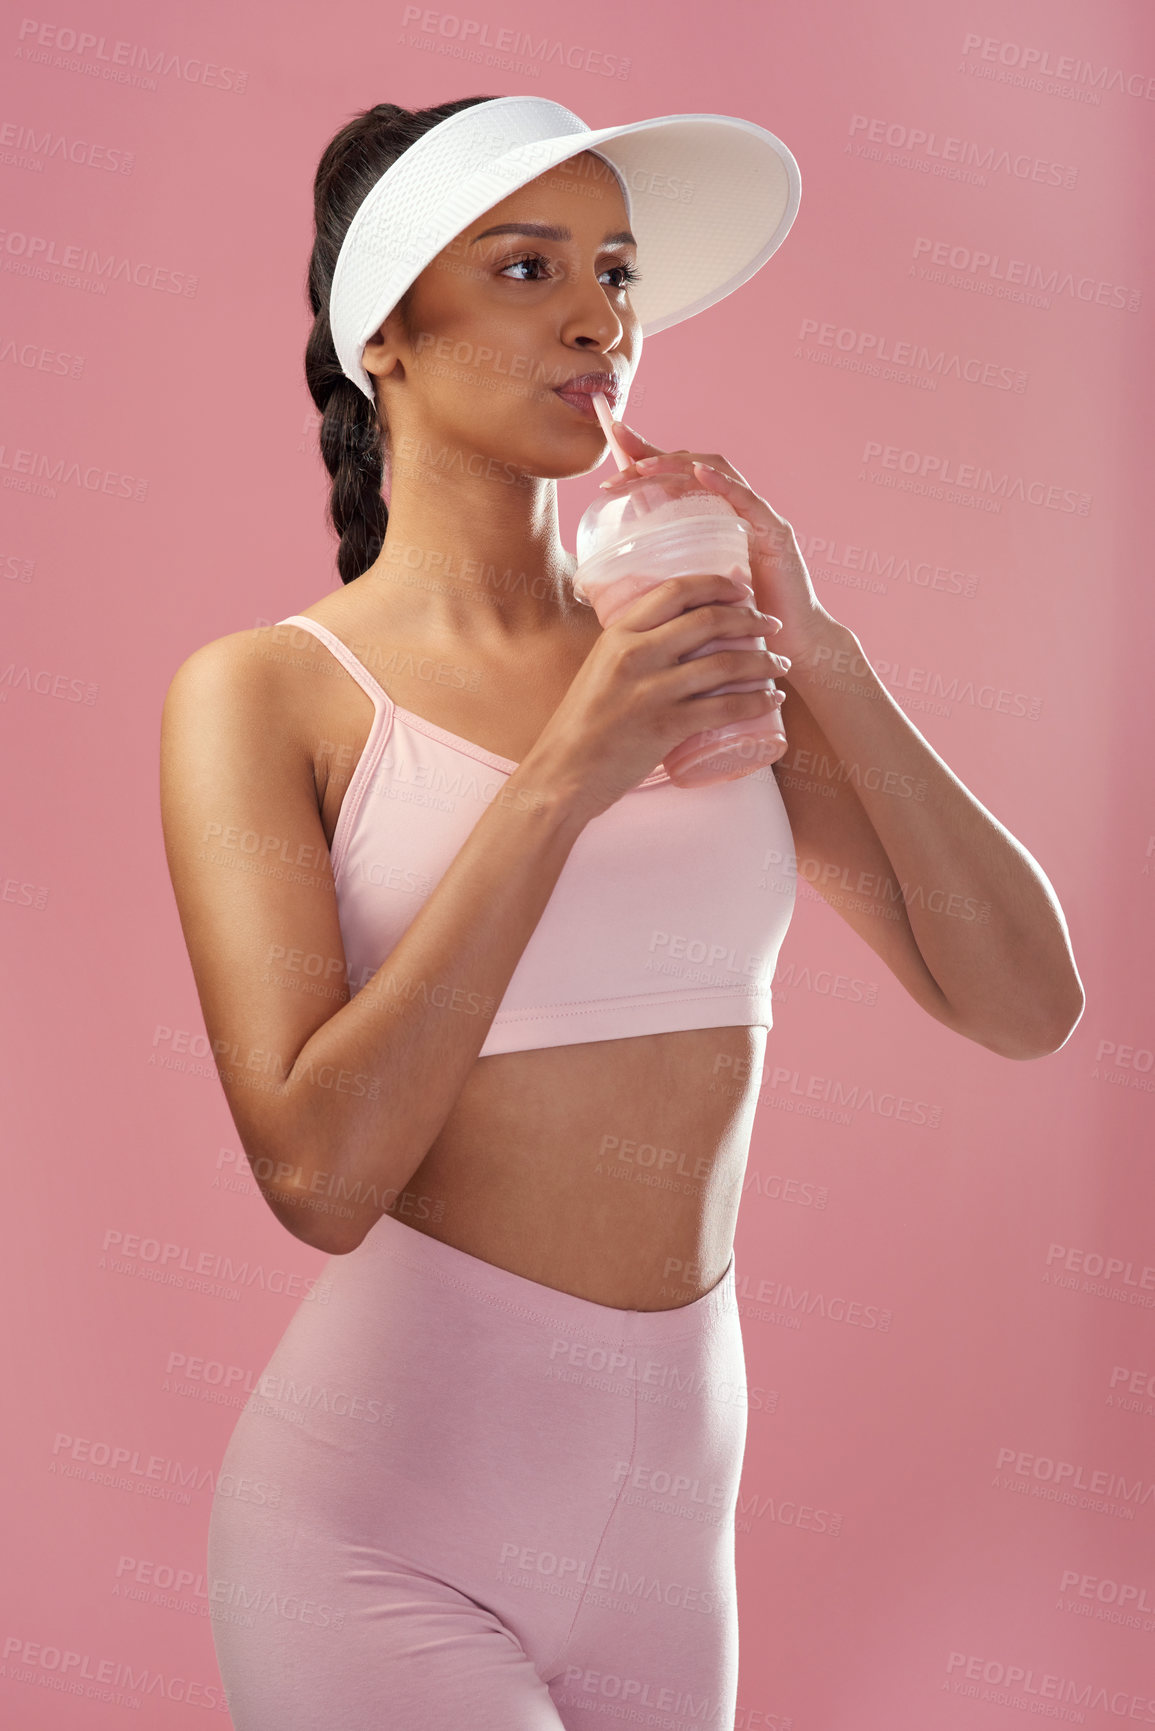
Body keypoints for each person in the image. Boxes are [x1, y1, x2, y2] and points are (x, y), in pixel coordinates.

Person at [159, 94, 1084, 1731]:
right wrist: (562, 780)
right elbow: (314, 1171)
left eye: (615, 270)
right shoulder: (268, 695)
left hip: (672, 1546)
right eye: (526, 270)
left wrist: (823, 642)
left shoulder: (687, 650)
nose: (600, 318)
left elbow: (1023, 1002)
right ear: (385, 335)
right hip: (380, 1540)